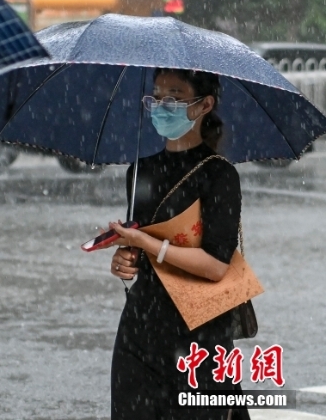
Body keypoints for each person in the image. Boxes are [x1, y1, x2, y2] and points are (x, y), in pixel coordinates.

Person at [104, 69, 248, 420]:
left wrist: (149, 245)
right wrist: (125, 258)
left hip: (199, 333)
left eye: (173, 96)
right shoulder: (139, 171)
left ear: (204, 105)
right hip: (141, 328)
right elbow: (138, 247)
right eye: (155, 96)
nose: (160, 106)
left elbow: (216, 266)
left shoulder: (219, 175)